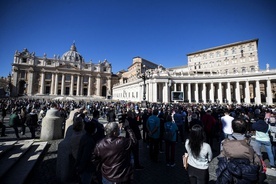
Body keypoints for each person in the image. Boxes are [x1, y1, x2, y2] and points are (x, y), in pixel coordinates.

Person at [217, 118, 262, 183]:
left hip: (230, 173)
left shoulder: (224, 142)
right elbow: (259, 159)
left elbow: (222, 157)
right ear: (246, 128)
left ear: (232, 128)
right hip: (248, 174)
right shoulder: (252, 143)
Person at [76, 120, 97, 184]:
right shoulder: (89, 141)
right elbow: (86, 155)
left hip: (83, 165)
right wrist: (81, 168)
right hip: (87, 167)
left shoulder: (84, 137)